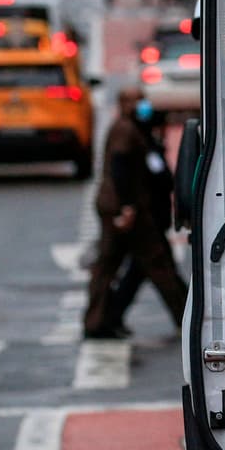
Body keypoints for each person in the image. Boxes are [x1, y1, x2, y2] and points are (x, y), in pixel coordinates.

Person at [83, 86, 187, 340]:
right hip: (128, 211)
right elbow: (120, 168)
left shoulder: (133, 128)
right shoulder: (125, 130)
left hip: (126, 208)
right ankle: (187, 317)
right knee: (155, 261)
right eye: (136, 101)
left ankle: (102, 320)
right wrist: (127, 206)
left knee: (118, 264)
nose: (142, 105)